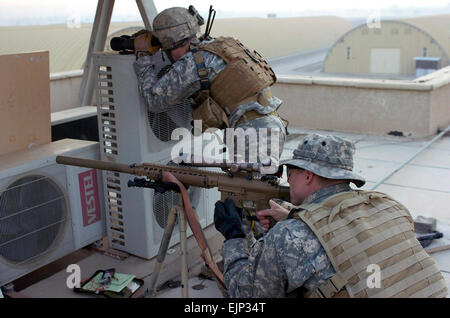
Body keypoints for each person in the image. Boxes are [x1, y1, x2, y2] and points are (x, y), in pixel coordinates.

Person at [213, 133, 448, 298]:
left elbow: (245, 295)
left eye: (291, 172)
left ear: (307, 176)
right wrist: (294, 217)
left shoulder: (288, 237)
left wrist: (235, 237)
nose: (286, 180)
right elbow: (352, 240)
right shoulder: (389, 206)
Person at [133, 6, 287, 174]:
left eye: (166, 49)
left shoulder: (192, 63)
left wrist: (143, 57)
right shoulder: (221, 45)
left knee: (247, 196)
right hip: (270, 126)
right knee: (257, 191)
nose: (167, 54)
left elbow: (154, 101)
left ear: (173, 42)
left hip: (252, 137)